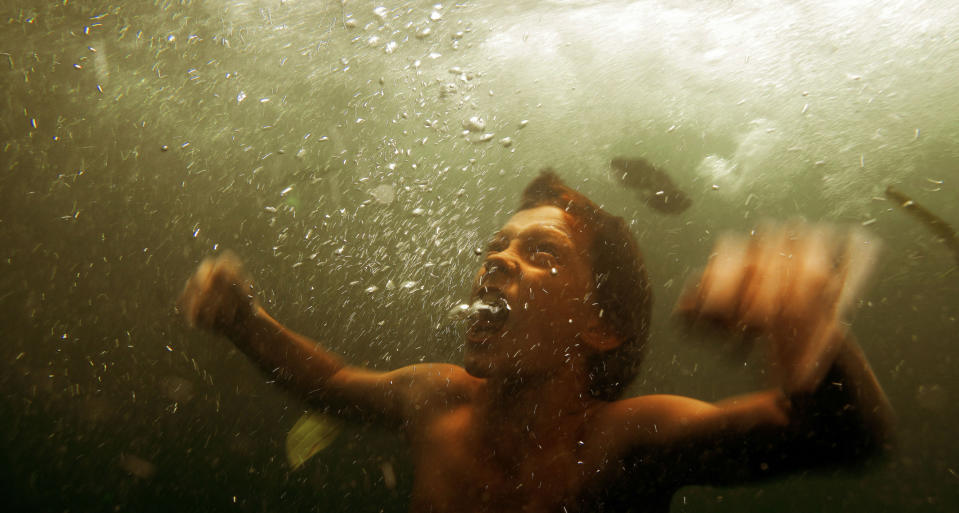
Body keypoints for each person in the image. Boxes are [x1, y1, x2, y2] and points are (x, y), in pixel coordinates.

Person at [179, 170, 893, 513]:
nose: (496, 261)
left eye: (541, 253)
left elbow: (838, 436)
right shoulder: (435, 398)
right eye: (496, 247)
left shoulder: (625, 439)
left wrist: (805, 330)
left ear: (600, 324)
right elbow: (330, 384)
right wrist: (245, 319)